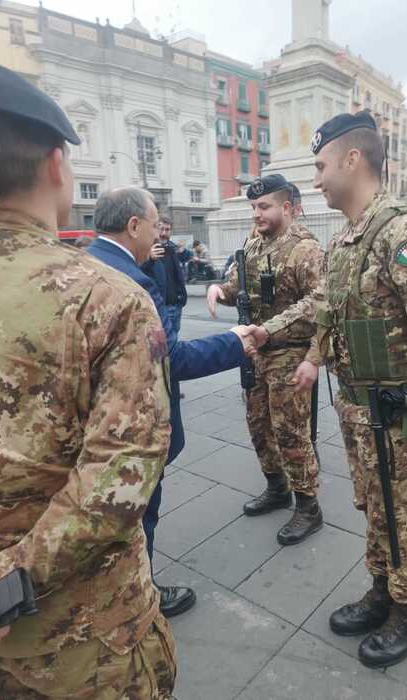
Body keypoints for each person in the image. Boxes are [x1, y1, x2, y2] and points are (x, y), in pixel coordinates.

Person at [252, 112, 407, 668]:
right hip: (359, 412)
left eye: (320, 166)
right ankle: (383, 591)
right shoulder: (349, 239)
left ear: (352, 159)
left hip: (403, 418)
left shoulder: (403, 234)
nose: (315, 180)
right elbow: (330, 310)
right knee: (375, 508)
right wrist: (312, 358)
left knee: (402, 515)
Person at [0, 65, 177, 697]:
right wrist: (10, 582)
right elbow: (120, 476)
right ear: (54, 165)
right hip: (76, 641)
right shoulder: (105, 298)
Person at [88, 187, 256, 618]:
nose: (157, 231)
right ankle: (141, 598)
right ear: (133, 226)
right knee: (140, 518)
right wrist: (235, 342)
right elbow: (172, 359)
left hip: (97, 430)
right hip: (133, 434)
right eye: (153, 222)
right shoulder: (134, 282)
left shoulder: (86, 265)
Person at [207, 174, 324, 546]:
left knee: (291, 431)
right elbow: (240, 287)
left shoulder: (306, 250)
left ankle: (308, 506)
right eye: (253, 207)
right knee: (258, 425)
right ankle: (277, 489)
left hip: (289, 352)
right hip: (255, 353)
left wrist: (271, 329)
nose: (256, 214)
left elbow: (319, 303)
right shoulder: (254, 244)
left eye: (264, 207)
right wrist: (219, 290)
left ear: (286, 208)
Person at [142, 216, 187, 335]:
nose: (163, 233)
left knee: (174, 342)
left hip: (176, 306)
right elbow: (136, 271)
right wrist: (148, 258)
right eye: (161, 229)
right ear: (155, 229)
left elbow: (179, 274)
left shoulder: (172, 248)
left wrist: (181, 299)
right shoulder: (145, 249)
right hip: (160, 307)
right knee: (161, 343)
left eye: (167, 230)